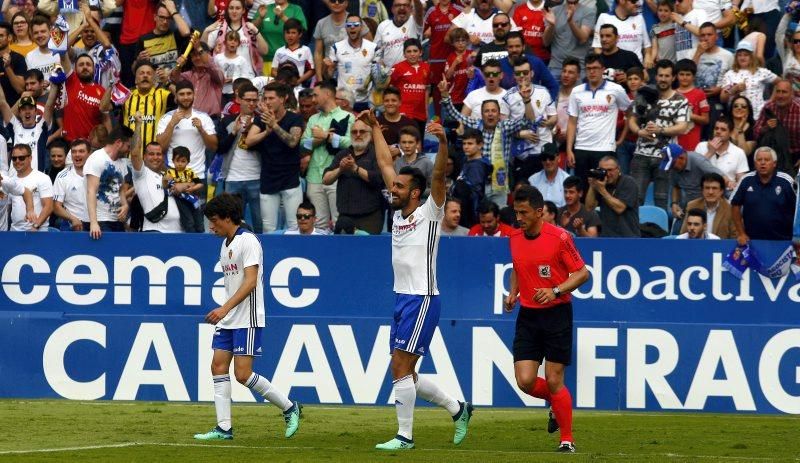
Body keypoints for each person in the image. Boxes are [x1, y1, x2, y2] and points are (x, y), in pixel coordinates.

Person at [362, 109, 473, 451]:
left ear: (415, 193)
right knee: (406, 371)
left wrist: (442, 142)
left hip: (422, 298)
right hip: (402, 298)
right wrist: (375, 128)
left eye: (399, 186)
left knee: (400, 366)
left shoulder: (430, 212)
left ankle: (405, 437)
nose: (392, 188)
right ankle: (458, 409)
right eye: (393, 185)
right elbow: (383, 163)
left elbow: (438, 177)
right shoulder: (398, 212)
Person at [194, 193, 301, 441]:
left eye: (214, 220)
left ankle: (289, 407)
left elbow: (251, 282)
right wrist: (225, 312)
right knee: (217, 366)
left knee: (243, 375)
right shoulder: (225, 245)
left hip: (247, 318)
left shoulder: (248, 241)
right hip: (229, 318)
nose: (211, 226)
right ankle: (223, 428)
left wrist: (224, 308)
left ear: (228, 218)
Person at [504, 184, 589, 454]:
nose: (519, 218)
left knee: (554, 379)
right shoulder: (514, 238)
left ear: (540, 212)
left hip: (557, 314)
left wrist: (554, 290)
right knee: (525, 380)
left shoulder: (560, 238)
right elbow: (518, 266)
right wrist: (513, 292)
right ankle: (556, 404)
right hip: (528, 315)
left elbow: (582, 273)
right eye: (517, 212)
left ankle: (567, 440)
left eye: (524, 212)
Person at [441, 74, 537, 206]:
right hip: (477, 183)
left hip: (499, 185)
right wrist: (445, 95)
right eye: (487, 111)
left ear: (499, 114)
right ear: (482, 114)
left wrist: (526, 101)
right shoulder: (476, 124)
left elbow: (529, 120)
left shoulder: (505, 126)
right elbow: (455, 114)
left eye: (493, 111)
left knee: (499, 219)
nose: (490, 114)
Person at [628, 59, 690, 209]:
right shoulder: (644, 94)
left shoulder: (681, 100)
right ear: (655, 76)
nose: (663, 79)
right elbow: (632, 120)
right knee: (635, 199)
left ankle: (660, 232)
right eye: (660, 75)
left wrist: (660, 130)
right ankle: (636, 232)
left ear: (673, 77)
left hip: (666, 156)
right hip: (641, 154)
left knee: (661, 200)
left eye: (667, 76)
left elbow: (682, 127)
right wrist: (639, 131)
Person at [566, 53, 631, 188]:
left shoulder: (616, 89)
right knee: (582, 190)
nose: (592, 71)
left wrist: (621, 139)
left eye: (595, 68)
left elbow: (629, 113)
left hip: (605, 148)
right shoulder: (576, 91)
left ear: (603, 69)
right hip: (581, 148)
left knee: (605, 190)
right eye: (589, 68)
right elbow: (572, 121)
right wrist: (569, 149)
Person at [300, 80, 354, 230]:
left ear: (328, 94)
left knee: (339, 221)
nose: (313, 99)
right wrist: (317, 140)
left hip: (337, 175)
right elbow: (302, 145)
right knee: (318, 224)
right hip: (314, 176)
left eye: (316, 95)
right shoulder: (313, 119)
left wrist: (327, 136)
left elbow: (351, 144)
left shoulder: (348, 117)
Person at [322, 119, 385, 234]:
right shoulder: (342, 154)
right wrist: (340, 169)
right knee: (342, 251)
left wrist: (356, 169)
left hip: (370, 217)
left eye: (362, 131)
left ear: (370, 134)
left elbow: (379, 180)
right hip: (345, 216)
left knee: (368, 251)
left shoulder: (377, 153)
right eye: (354, 132)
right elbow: (326, 179)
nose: (358, 134)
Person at [157, 80, 218, 194]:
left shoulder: (204, 118)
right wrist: (172, 124)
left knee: (199, 211)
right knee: (173, 212)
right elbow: (161, 148)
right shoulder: (166, 118)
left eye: (189, 93)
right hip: (173, 176)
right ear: (176, 96)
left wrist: (201, 130)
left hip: (197, 176)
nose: (186, 97)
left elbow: (213, 146)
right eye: (182, 94)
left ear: (194, 95)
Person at [218, 84, 262, 233]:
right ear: (238, 99)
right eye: (248, 100)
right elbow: (220, 148)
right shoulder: (227, 121)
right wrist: (234, 132)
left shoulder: (262, 121)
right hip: (233, 178)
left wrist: (251, 131)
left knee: (259, 223)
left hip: (257, 177)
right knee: (232, 225)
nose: (251, 103)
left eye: (255, 100)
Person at [731, 146, 797, 242]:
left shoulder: (786, 181)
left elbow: (798, 208)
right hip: (752, 241)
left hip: (783, 241)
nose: (762, 163)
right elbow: (735, 205)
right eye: (759, 160)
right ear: (754, 163)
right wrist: (741, 233)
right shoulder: (746, 180)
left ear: (774, 163)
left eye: (766, 160)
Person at [130, 116, 182, 233]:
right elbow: (134, 153)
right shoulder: (142, 174)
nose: (155, 157)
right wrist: (138, 125)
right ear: (144, 157)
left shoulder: (170, 175)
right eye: (151, 154)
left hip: (178, 233)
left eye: (158, 154)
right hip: (154, 232)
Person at [661, 143, 725, 226]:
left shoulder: (698, 161)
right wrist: (674, 203)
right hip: (689, 205)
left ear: (682, 158)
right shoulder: (673, 167)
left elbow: (722, 178)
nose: (670, 168)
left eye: (672, 165)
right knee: (676, 235)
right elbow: (675, 186)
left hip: (709, 205)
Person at [84, 127, 131, 239]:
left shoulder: (122, 163)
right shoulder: (97, 159)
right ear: (119, 143)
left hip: (117, 220)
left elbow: (120, 190)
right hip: (101, 220)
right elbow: (91, 191)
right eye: (128, 146)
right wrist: (94, 223)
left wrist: (125, 205)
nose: (128, 150)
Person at [325, 14, 377, 112]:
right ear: (346, 28)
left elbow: (378, 76)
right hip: (344, 101)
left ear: (361, 27)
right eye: (349, 25)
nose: (352, 27)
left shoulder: (373, 47)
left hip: (365, 101)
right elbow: (328, 76)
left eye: (356, 24)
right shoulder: (337, 47)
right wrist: (330, 69)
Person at [61, 52, 113, 143]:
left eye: (88, 64)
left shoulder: (102, 91)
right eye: (81, 65)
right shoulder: (71, 81)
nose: (85, 67)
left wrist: (109, 143)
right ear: (75, 69)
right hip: (70, 143)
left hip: (92, 145)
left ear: (94, 69)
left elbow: (106, 119)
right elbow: (64, 58)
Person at [136, 0, 191, 84]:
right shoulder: (144, 39)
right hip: (154, 89)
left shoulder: (176, 36)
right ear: (155, 17)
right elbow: (134, 70)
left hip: (173, 85)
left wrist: (173, 10)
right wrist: (139, 60)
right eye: (162, 17)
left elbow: (186, 32)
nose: (165, 22)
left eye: (168, 18)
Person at [585, 155, 641, 237]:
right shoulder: (602, 183)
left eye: (610, 170)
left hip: (628, 237)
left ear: (618, 169)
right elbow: (589, 208)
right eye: (603, 171)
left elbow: (620, 208)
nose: (607, 174)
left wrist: (602, 190)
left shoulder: (628, 182)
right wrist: (592, 185)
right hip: (607, 237)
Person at [720, 40, 779, 118]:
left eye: (746, 55)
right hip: (736, 116)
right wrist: (734, 90)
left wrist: (771, 101)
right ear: (736, 57)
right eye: (739, 55)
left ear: (751, 57)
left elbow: (780, 83)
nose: (742, 57)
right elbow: (722, 99)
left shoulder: (761, 72)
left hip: (757, 115)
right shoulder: (729, 74)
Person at [122, 60, 173, 147]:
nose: (145, 75)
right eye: (141, 73)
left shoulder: (162, 94)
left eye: (149, 73)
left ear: (154, 80)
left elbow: (181, 98)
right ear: (135, 79)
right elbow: (104, 108)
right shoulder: (125, 95)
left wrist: (167, 82)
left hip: (154, 155)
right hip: (129, 154)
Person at [171, 41, 225, 119]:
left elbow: (210, 65)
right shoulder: (188, 75)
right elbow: (174, 78)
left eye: (200, 54)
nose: (197, 58)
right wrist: (178, 66)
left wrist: (199, 48)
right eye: (194, 55)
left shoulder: (215, 74)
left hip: (211, 120)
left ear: (209, 54)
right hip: (190, 120)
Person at [753, 79, 800, 170]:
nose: (780, 95)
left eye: (784, 92)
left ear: (791, 94)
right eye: (778, 91)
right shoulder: (768, 107)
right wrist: (766, 128)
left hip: (796, 154)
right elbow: (755, 132)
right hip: (774, 155)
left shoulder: (798, 109)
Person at [253, 0, 307, 76]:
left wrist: (283, 17)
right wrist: (260, 18)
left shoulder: (296, 9)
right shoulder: (265, 8)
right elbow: (251, 30)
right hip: (265, 60)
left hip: (288, 62)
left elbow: (302, 30)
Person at [542, 0, 595, 77]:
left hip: (578, 68)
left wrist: (570, 21)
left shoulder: (588, 12)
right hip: (556, 66)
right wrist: (551, 25)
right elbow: (546, 42)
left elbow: (583, 38)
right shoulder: (554, 11)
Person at [695, 117, 748, 192]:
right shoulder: (701, 146)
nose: (718, 131)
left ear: (731, 133)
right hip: (703, 190)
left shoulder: (739, 152)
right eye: (716, 128)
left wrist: (734, 185)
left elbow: (741, 181)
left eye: (723, 129)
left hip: (726, 192)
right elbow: (694, 171)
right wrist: (710, 152)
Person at [7, 143, 51, 231]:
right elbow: (8, 208)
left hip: (37, 231)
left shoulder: (42, 178)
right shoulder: (10, 180)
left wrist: (36, 225)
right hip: (15, 231)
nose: (17, 161)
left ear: (30, 158)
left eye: (21, 158)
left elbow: (48, 206)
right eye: (14, 158)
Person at [679, 172, 736, 238]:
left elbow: (734, 237)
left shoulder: (730, 209)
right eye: (707, 188)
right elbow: (684, 233)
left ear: (721, 191)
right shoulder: (692, 205)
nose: (710, 192)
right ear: (702, 190)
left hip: (719, 247)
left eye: (714, 188)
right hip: (696, 246)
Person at [389, 38, 430, 132]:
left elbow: (426, 89)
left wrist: (426, 110)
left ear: (421, 52)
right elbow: (391, 89)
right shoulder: (397, 68)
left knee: (419, 143)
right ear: (404, 54)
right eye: (409, 51)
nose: (412, 54)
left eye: (415, 51)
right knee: (404, 141)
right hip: (403, 112)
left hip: (420, 113)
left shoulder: (426, 68)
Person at [374, 0, 424, 70]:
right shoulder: (383, 26)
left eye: (405, 5)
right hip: (390, 76)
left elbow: (419, 11)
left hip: (412, 74)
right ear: (392, 9)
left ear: (411, 9)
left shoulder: (415, 22)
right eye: (398, 5)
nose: (402, 8)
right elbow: (377, 52)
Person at [53, 139, 90, 231]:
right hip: (72, 224)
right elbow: (56, 206)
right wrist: (73, 219)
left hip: (96, 223)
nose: (77, 154)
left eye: (81, 151)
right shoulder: (62, 176)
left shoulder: (98, 174)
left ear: (89, 154)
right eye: (74, 152)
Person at [166, 146, 205, 233]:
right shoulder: (169, 172)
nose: (180, 163)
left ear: (188, 161)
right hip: (180, 199)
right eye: (177, 161)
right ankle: (191, 240)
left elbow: (200, 184)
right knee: (188, 221)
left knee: (199, 220)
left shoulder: (190, 172)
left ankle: (201, 239)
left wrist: (192, 188)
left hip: (193, 199)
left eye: (183, 161)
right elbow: (168, 185)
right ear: (172, 160)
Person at [675, 59, 710, 151]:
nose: (684, 77)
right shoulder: (672, 93)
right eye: (681, 74)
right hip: (674, 139)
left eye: (688, 74)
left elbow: (706, 119)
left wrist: (689, 115)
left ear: (694, 76)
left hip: (692, 141)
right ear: (676, 76)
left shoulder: (700, 94)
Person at [270, 19, 315, 88]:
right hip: (281, 87)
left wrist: (297, 82)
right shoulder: (279, 51)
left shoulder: (305, 50)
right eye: (287, 33)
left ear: (300, 34)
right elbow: (273, 71)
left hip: (298, 87)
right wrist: (283, 81)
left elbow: (311, 70)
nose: (290, 35)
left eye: (293, 33)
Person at [597, 24, 644, 88]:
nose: (604, 39)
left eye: (608, 36)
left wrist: (628, 78)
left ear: (617, 38)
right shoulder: (596, 60)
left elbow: (645, 76)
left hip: (626, 95)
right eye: (601, 36)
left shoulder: (629, 56)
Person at [394, 125, 433, 194]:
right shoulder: (396, 163)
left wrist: (414, 192)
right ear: (399, 144)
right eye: (404, 142)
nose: (407, 146)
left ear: (417, 144)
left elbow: (434, 189)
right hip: (401, 204)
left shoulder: (426, 163)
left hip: (422, 203)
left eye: (410, 142)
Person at [0, 20, 27, 108]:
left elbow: (20, 89)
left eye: (1, 36)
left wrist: (7, 67)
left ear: (10, 37)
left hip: (14, 111)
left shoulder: (18, 58)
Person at [647, 0, 677, 68]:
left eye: (666, 11)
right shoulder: (654, 28)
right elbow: (655, 48)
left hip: (675, 63)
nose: (662, 13)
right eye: (660, 10)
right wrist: (651, 60)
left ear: (671, 12)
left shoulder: (675, 25)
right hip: (661, 63)